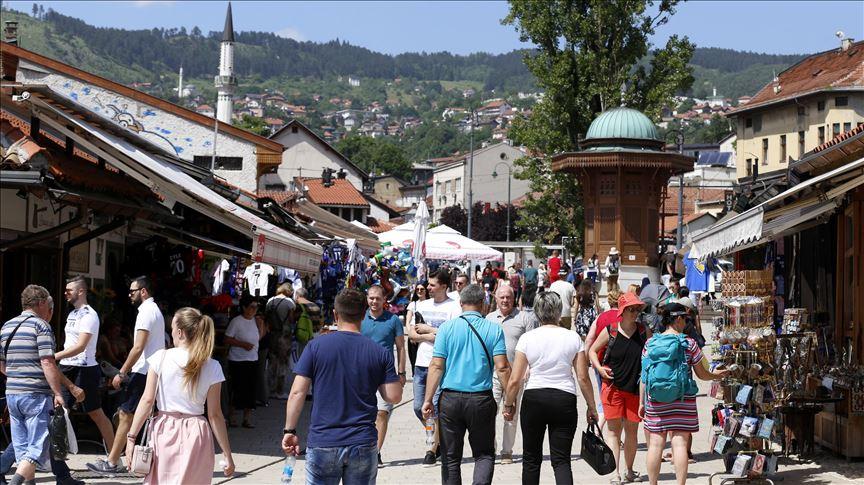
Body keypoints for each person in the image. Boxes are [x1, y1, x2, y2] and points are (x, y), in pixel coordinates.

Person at [282, 289, 402, 484]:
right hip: (362, 441)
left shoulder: (316, 346)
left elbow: (297, 392)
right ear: (364, 315)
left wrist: (290, 431)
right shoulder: (379, 352)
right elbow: (393, 396)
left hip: (323, 440)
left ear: (335, 314)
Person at [124, 308, 235, 484]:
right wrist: (227, 454)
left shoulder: (159, 358)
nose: (171, 333)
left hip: (164, 429)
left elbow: (147, 401)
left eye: (172, 329)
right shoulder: (213, 366)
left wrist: (131, 438)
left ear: (181, 333)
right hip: (197, 430)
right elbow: (215, 415)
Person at [504, 292, 599, 485]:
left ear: (537, 313)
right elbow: (583, 377)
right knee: (562, 460)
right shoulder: (573, 338)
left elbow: (515, 379)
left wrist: (508, 404)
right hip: (564, 399)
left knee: (531, 459)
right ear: (558, 311)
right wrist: (592, 406)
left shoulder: (527, 338)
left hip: (535, 398)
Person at [421, 284, 510, 485]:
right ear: (483, 304)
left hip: (450, 400)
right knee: (484, 454)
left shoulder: (446, 328)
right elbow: (503, 368)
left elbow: (436, 365)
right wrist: (510, 401)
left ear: (461, 303)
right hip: (481, 398)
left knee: (450, 457)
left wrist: (428, 399)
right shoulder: (494, 329)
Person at [1, 286, 84, 485]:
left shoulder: (7, 326)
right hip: (35, 395)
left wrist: (18, 378)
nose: (51, 309)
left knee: (23, 450)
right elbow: (47, 362)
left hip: (12, 394)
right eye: (49, 304)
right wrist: (58, 393)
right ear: (41, 303)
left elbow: (2, 364)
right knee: (36, 449)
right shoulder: (41, 326)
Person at [642, 303, 727, 485]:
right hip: (682, 399)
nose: (687, 323)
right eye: (685, 319)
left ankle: (653, 484)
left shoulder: (650, 343)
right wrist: (716, 375)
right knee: (679, 443)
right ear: (677, 318)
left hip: (656, 400)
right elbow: (702, 374)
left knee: (655, 444)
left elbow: (644, 376)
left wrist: (643, 403)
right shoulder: (689, 343)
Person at [89, 276, 166, 476]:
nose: (129, 295)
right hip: (150, 370)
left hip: (144, 371)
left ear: (143, 291)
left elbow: (138, 346)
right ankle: (118, 459)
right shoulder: (153, 310)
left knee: (125, 415)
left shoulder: (147, 311)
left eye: (132, 291)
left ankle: (113, 462)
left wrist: (122, 372)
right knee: (132, 416)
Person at [589, 292, 651, 485]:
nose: (634, 313)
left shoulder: (643, 331)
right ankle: (615, 473)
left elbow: (652, 353)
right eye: (630, 309)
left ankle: (629, 470)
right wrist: (599, 369)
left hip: (634, 389)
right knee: (614, 432)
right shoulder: (610, 330)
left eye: (637, 309)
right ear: (621, 311)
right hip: (612, 388)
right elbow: (591, 350)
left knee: (632, 432)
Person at [407, 270, 462, 467]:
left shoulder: (454, 307)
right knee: (418, 407)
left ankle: (431, 448)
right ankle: (438, 439)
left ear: (444, 286)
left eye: (432, 285)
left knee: (435, 407)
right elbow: (412, 334)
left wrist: (429, 330)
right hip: (421, 363)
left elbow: (453, 335)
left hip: (440, 364)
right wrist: (434, 335)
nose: (428, 288)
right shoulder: (421, 305)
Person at [55, 276, 116, 453]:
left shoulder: (90, 315)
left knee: (96, 413)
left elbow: (81, 345)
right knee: (59, 410)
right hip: (66, 367)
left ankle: (114, 456)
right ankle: (55, 456)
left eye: (69, 290)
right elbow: (69, 343)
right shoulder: (72, 313)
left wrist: (54, 355)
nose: (65, 293)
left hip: (85, 368)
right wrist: (60, 358)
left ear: (80, 291)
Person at [485, 285, 539, 465]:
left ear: (514, 298)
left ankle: (506, 451)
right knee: (488, 413)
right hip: (492, 373)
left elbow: (533, 344)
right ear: (496, 298)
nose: (505, 300)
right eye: (502, 297)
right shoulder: (489, 318)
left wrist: (530, 369)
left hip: (516, 375)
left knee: (511, 414)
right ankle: (489, 449)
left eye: (508, 297)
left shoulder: (525, 318)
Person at [361, 285, 407, 466]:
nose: (374, 301)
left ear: (384, 300)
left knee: (382, 412)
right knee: (364, 413)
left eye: (377, 298)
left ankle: (375, 452)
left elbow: (401, 347)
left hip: (385, 374)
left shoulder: (393, 320)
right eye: (371, 298)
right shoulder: (360, 318)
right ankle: (364, 447)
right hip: (362, 373)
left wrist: (401, 372)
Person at [583, 288, 623, 432]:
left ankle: (605, 430)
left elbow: (588, 340)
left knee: (604, 395)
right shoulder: (623, 317)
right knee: (619, 398)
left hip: (599, 362)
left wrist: (587, 359)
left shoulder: (600, 317)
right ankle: (606, 430)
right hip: (620, 363)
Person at [224, 295, 260, 428]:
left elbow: (258, 338)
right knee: (236, 388)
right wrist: (242, 344)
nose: (254, 310)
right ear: (244, 307)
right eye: (252, 307)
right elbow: (227, 339)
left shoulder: (256, 321)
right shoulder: (236, 321)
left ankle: (247, 417)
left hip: (252, 359)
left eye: (256, 307)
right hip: (238, 360)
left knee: (250, 389)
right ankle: (232, 416)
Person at [265, 283, 295, 399]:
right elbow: (291, 319)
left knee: (272, 360)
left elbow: (266, 317)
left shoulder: (270, 301)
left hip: (272, 333)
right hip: (284, 335)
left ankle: (270, 389)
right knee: (283, 362)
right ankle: (280, 390)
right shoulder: (289, 302)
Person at [405, 282, 428, 372]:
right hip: (413, 334)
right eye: (417, 289)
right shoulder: (413, 304)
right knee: (414, 359)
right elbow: (408, 322)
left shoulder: (430, 303)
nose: (419, 291)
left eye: (422, 289)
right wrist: (411, 335)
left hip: (426, 333)